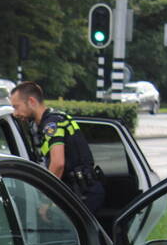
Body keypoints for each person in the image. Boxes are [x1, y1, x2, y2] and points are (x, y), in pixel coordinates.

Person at [9, 81, 106, 216]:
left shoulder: (51, 124)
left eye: (16, 107)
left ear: (31, 101)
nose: (15, 113)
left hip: (83, 193)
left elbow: (58, 163)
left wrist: (45, 201)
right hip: (81, 190)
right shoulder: (50, 120)